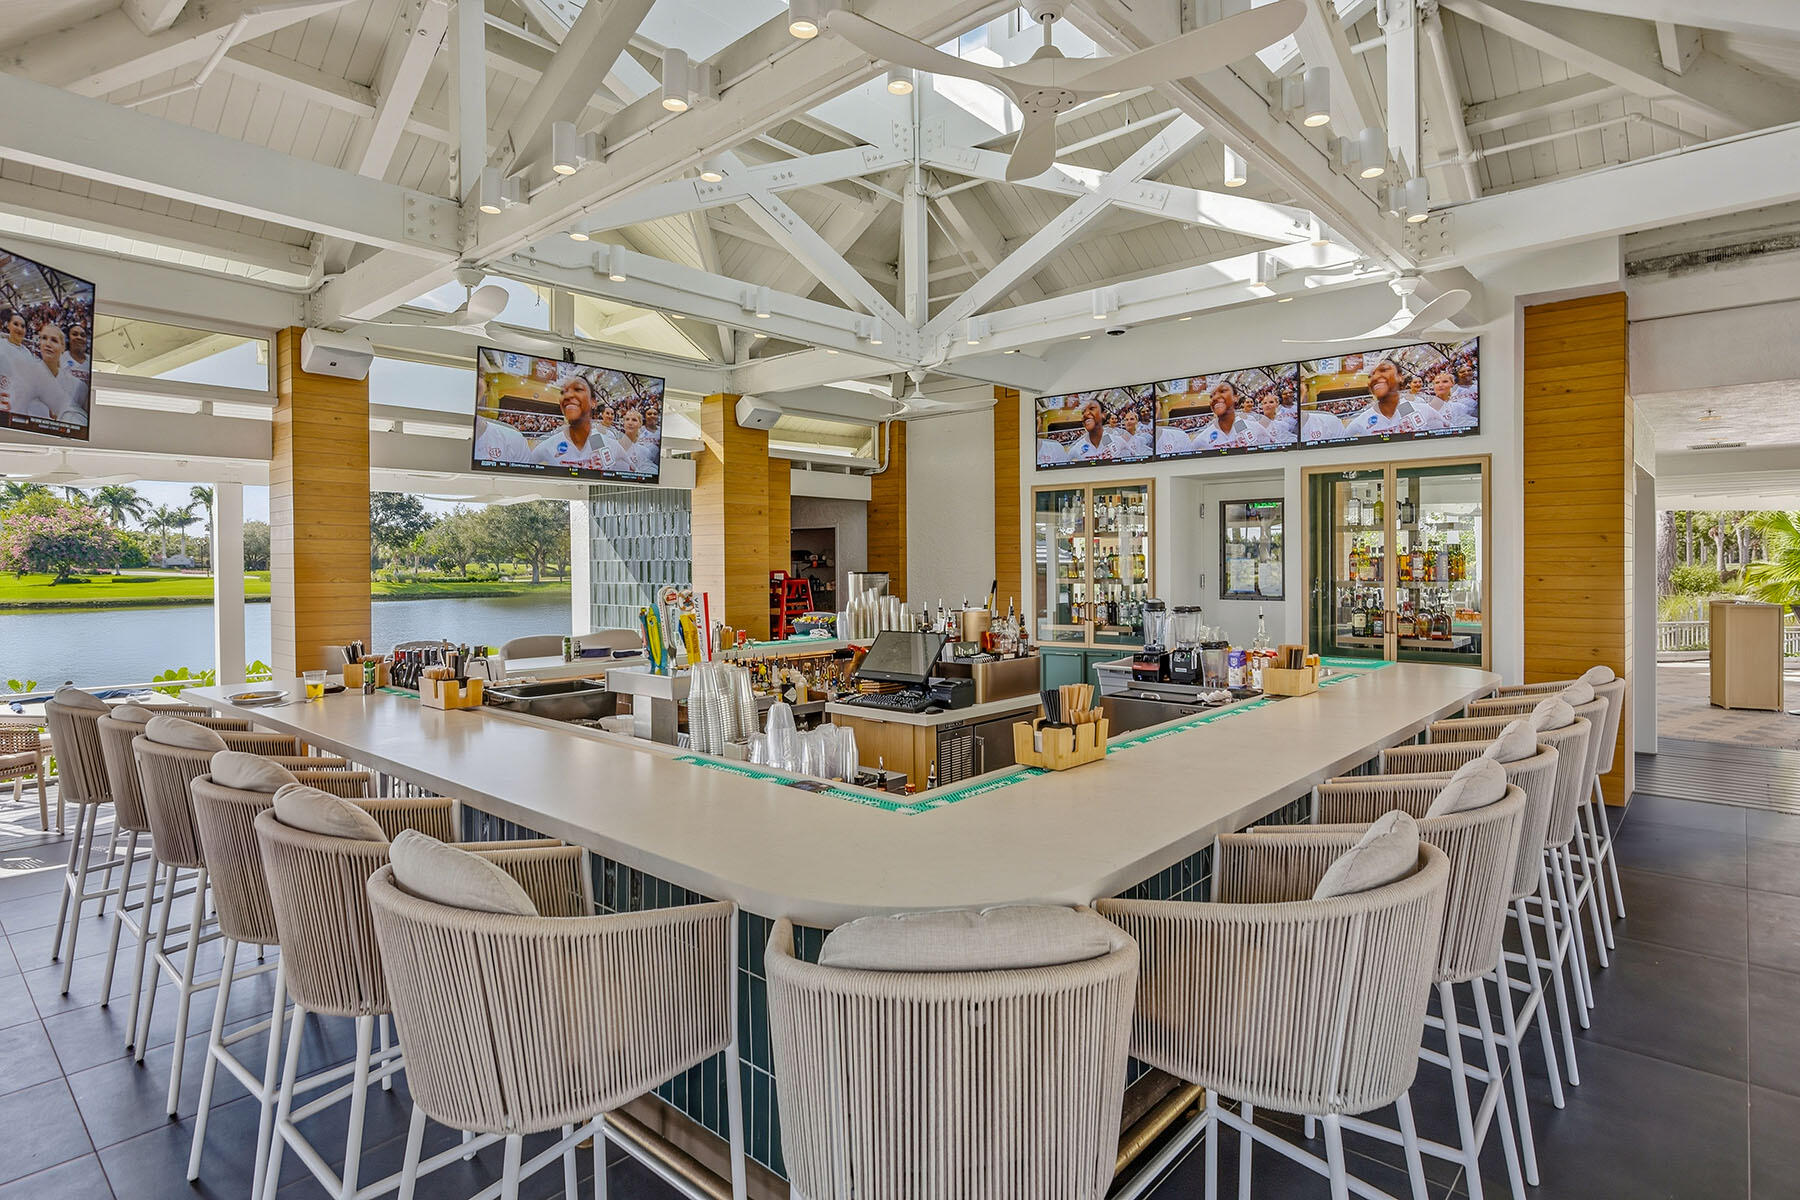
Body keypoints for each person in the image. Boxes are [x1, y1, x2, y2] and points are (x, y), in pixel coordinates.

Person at [533, 374, 618, 472]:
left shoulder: (604, 439)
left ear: (593, 402)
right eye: (563, 392)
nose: (568, 395)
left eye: (578, 389)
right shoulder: (548, 446)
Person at [1341, 358, 1443, 438]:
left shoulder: (1422, 410)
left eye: (1384, 370)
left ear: (1400, 376)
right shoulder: (1360, 422)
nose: (1376, 377)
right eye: (1371, 375)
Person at [16, 322, 87, 425]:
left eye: (54, 340)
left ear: (63, 347)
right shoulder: (24, 375)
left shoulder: (78, 386)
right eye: (44, 338)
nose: (48, 344)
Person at [1188, 381, 1259, 451]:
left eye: (1223, 392)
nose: (1216, 398)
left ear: (1235, 397)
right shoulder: (1202, 439)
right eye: (1212, 396)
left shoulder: (1251, 424)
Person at [610, 404, 658, 474]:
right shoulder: (613, 445)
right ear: (623, 423)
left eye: (634, 420)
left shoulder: (644, 451)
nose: (630, 422)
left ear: (640, 424)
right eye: (627, 419)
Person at [1063, 398, 1113, 463]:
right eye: (1083, 412)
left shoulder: (1115, 439)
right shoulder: (1077, 448)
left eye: (1092, 409)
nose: (1086, 414)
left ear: (1103, 414)